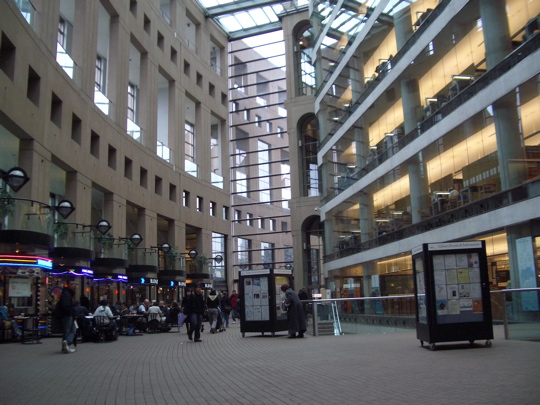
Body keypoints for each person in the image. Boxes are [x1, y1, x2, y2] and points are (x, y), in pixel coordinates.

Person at [56, 282, 77, 353]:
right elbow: (65, 305)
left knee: (68, 330)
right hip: (68, 315)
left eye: (74, 284)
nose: (73, 286)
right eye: (72, 284)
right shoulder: (67, 294)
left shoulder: (67, 293)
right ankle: (67, 342)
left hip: (68, 314)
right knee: (71, 330)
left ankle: (65, 346)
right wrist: (70, 311)